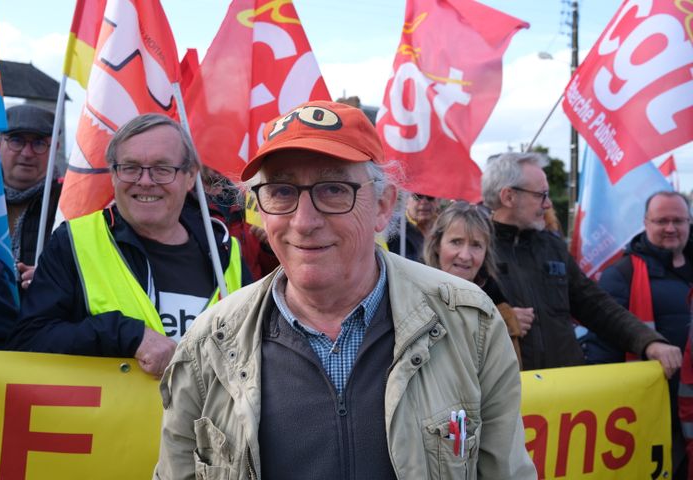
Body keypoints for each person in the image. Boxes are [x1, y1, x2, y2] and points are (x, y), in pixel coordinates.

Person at [154, 100, 536, 479]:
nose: (303, 222)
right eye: (282, 191)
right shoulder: (208, 345)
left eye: (334, 189)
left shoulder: (470, 324)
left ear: (383, 206)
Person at [7, 114, 248, 377]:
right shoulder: (74, 242)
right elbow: (27, 341)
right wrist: (125, 335)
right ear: (113, 174)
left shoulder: (226, 253)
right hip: (112, 418)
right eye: (130, 167)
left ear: (190, 177)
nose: (145, 181)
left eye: (162, 168)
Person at [481, 152, 681, 376]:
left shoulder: (553, 247)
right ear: (508, 197)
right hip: (506, 398)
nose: (548, 204)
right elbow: (451, 322)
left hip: (568, 395)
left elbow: (595, 305)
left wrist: (648, 342)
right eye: (541, 195)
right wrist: (499, 319)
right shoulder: (475, 252)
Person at [588, 191, 692, 478]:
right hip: (654, 410)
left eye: (678, 220)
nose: (670, 228)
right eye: (662, 221)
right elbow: (605, 345)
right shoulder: (621, 275)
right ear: (645, 223)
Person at [422, 200, 527, 366]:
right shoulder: (411, 301)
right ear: (437, 245)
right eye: (456, 242)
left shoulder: (500, 313)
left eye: (476, 245)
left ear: (486, 252)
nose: (465, 255)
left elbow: (508, 382)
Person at [0, 104, 61, 295]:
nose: (27, 153)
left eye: (39, 143)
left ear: (55, 148)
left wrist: (57, 278)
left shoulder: (70, 206)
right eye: (16, 141)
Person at [202, 167, 279, 280]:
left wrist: (269, 247)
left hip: (253, 293)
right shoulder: (188, 204)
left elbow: (270, 273)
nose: (214, 166)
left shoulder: (249, 196)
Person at [388, 191, 440, 262]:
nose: (424, 202)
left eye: (430, 197)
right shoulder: (394, 229)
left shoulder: (443, 229)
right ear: (406, 201)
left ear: (438, 203)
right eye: (418, 196)